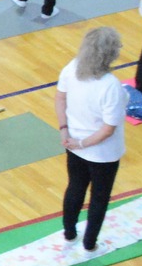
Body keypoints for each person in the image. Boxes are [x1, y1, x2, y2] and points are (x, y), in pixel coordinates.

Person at [55, 26, 128, 252]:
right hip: (102, 154)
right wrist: (82, 143)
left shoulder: (72, 67)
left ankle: (69, 234)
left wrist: (65, 131)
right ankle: (89, 244)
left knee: (75, 187)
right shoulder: (110, 85)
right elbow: (108, 129)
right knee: (99, 197)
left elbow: (60, 98)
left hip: (74, 144)